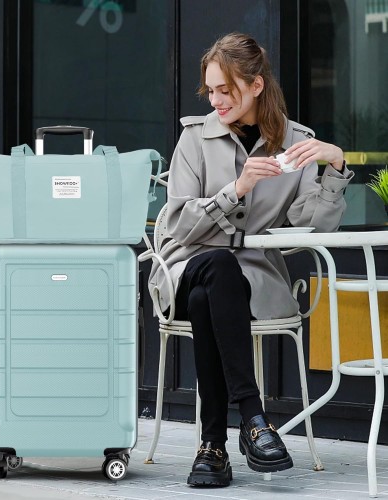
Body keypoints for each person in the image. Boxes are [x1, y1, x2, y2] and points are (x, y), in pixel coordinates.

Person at [148, 32, 354, 488]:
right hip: (186, 266)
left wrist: (335, 167)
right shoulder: (195, 138)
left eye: (226, 90)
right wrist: (236, 190)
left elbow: (313, 227)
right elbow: (178, 224)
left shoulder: (296, 143)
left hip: (252, 279)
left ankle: (212, 448)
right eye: (210, 91)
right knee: (216, 267)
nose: (216, 101)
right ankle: (254, 418)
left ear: (256, 85)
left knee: (209, 297)